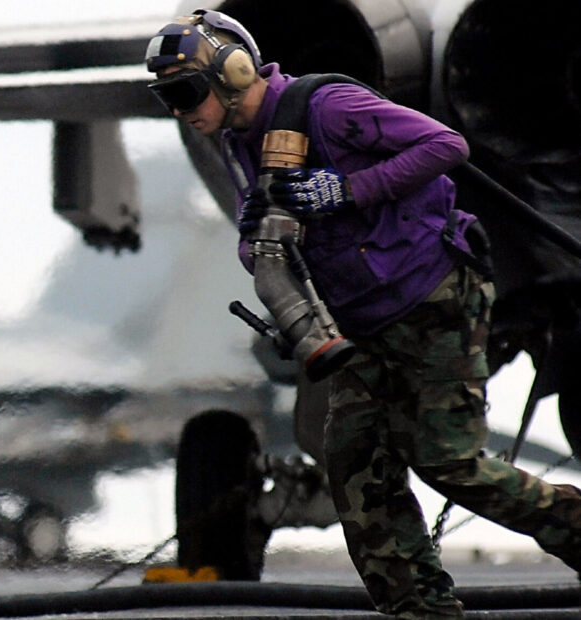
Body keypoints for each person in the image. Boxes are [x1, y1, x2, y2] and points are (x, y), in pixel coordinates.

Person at [145, 8, 581, 618]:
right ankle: (421, 610)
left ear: (232, 72)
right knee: (356, 474)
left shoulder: (330, 107)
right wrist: (256, 238)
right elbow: (266, 229)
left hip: (432, 300)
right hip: (360, 322)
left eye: (184, 92)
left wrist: (346, 191)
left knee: (450, 463)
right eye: (166, 97)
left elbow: (444, 144)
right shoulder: (242, 139)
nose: (178, 110)